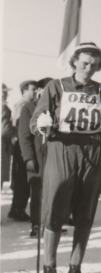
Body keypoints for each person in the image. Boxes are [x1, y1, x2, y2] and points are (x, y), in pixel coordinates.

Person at [30, 42, 101, 273]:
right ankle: (49, 266)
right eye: (85, 63)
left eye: (94, 64)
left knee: (85, 210)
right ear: (75, 62)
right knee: (56, 205)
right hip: (63, 149)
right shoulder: (55, 86)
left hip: (93, 152)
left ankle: (75, 268)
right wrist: (42, 124)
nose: (89, 68)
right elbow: (36, 121)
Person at [19, 78, 53, 237]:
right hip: (37, 160)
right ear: (40, 91)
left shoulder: (56, 108)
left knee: (53, 192)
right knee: (37, 193)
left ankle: (49, 225)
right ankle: (36, 227)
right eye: (46, 89)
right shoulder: (29, 108)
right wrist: (29, 158)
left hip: (53, 159)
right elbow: (24, 137)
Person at [8, 80, 38, 222]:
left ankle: (17, 210)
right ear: (25, 91)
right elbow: (21, 129)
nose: (35, 92)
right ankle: (17, 211)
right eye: (32, 89)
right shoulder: (23, 106)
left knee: (22, 181)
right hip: (21, 149)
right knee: (21, 181)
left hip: (21, 148)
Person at [2, 83, 16, 190]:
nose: (6, 94)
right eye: (3, 92)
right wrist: (13, 134)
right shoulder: (3, 107)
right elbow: (4, 130)